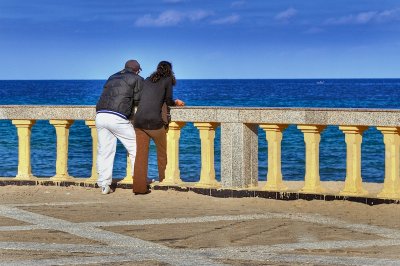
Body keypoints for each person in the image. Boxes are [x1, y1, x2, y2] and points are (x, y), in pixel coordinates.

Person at [133, 61, 184, 194]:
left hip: (138, 121)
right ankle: (163, 180)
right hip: (153, 122)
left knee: (140, 155)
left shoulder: (147, 79)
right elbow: (168, 99)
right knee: (162, 153)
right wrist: (176, 102)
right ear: (170, 70)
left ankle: (139, 188)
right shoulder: (167, 80)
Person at [95, 60, 143, 195]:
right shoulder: (137, 78)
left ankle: (104, 185)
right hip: (117, 117)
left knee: (105, 151)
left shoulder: (112, 77)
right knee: (136, 147)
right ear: (137, 70)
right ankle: (138, 180)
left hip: (100, 115)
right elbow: (139, 100)